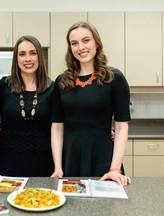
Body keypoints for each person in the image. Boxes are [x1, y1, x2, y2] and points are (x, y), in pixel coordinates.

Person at [51, 21, 131, 186]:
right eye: (74, 43)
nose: (80, 47)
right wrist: (58, 167)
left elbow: (121, 127)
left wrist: (115, 169)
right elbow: (57, 127)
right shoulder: (62, 81)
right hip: (71, 157)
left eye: (86, 40)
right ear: (70, 48)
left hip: (103, 156)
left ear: (96, 42)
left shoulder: (114, 78)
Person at [0, 35, 54, 177]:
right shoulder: (3, 86)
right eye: (22, 54)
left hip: (44, 162)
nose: (28, 58)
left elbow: (63, 125)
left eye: (33, 53)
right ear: (16, 59)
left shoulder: (53, 88)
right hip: (8, 161)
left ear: (39, 56)